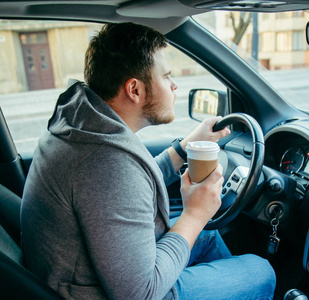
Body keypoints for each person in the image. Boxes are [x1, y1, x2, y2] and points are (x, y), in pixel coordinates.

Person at [21, 22, 276, 299]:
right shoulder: (106, 164)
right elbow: (140, 293)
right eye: (166, 76)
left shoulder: (84, 129)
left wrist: (185, 147)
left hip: (93, 274)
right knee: (260, 271)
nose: (174, 84)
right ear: (134, 89)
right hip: (106, 292)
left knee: (210, 236)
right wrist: (195, 214)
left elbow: (126, 187)